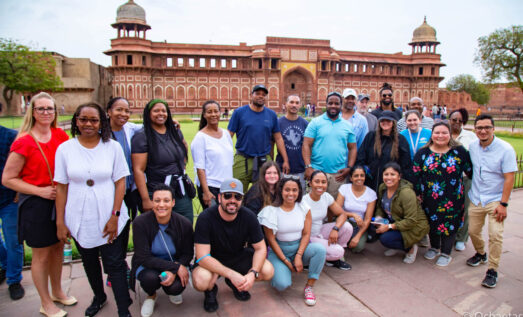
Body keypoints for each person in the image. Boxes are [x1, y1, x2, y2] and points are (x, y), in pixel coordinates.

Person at [55, 102, 132, 317]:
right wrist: (60, 221)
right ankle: (99, 296)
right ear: (76, 121)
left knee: (115, 263)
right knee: (89, 262)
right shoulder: (65, 149)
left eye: (94, 120)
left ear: (101, 122)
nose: (88, 124)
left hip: (110, 213)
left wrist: (115, 215)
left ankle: (123, 309)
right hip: (79, 216)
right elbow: (61, 188)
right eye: (83, 119)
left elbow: (120, 182)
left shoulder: (112, 147)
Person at [2, 92, 72, 317]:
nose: (45, 113)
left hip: (59, 200)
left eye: (49, 109)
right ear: (32, 111)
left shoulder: (60, 135)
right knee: (41, 254)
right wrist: (39, 191)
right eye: (40, 108)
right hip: (36, 203)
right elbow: (8, 179)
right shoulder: (24, 141)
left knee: (58, 248)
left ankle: (58, 291)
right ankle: (45, 302)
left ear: (55, 111)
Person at [192, 178, 274, 312]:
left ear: (242, 199)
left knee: (267, 270)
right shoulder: (205, 218)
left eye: (237, 197)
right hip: (212, 259)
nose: (232, 200)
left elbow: (260, 248)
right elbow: (202, 256)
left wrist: (252, 274)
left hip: (238, 256)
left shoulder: (249, 216)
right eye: (227, 195)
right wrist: (231, 274)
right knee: (201, 280)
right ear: (219, 197)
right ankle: (211, 289)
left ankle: (237, 284)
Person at [258, 176, 326, 306]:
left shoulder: (304, 207)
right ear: (280, 191)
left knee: (320, 250)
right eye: (287, 190)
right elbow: (271, 240)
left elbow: (306, 234)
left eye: (294, 190)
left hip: (299, 247)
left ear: (299, 192)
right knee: (282, 284)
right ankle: (279, 269)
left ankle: (309, 287)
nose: (291, 193)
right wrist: (286, 262)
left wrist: (299, 255)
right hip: (279, 251)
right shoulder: (270, 211)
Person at [466, 115, 517, 288]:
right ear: (475, 130)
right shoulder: (473, 147)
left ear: (493, 129)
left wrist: (504, 204)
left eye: (487, 127)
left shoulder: (505, 149)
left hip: (495, 199)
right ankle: (481, 254)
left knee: (495, 235)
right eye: (479, 128)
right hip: (476, 197)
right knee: (473, 231)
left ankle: (492, 270)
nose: (483, 131)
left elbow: (509, 178)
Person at [413, 122, 472, 266]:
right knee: (432, 221)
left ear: (450, 135)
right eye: (437, 133)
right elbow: (415, 174)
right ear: (432, 135)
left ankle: (446, 253)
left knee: (449, 223)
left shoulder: (459, 151)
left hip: (452, 198)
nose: (440, 136)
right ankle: (434, 247)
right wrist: (417, 192)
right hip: (429, 197)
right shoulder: (423, 153)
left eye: (444, 133)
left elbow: (470, 171)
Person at [131, 184, 194, 317]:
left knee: (176, 287)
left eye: (166, 200)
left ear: (173, 202)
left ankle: (172, 291)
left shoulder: (184, 224)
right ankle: (151, 295)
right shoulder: (140, 223)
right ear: (152, 202)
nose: (161, 205)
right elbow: (143, 257)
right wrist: (175, 268)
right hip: (149, 265)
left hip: (174, 262)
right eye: (157, 200)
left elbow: (188, 253)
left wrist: (174, 270)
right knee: (150, 279)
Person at [132, 99, 194, 223]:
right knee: (159, 231)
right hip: (156, 191)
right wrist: (145, 199)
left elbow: (183, 151)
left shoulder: (174, 132)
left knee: (185, 227)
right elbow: (138, 170)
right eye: (156, 111)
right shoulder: (142, 136)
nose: (161, 113)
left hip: (179, 190)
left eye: (163, 111)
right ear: (148, 113)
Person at [228, 85, 289, 190]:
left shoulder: (271, 115)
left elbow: (278, 138)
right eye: (257, 94)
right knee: (236, 192)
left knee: (264, 194)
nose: (261, 96)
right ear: (251, 95)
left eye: (264, 95)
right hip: (243, 159)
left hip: (264, 160)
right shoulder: (239, 113)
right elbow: (229, 136)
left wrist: (285, 160)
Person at [302, 92, 357, 198]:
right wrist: (308, 167)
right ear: (326, 104)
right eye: (330, 103)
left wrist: (349, 167)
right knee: (314, 205)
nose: (333, 106)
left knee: (333, 207)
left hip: (338, 174)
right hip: (317, 171)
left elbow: (353, 148)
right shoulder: (316, 122)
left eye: (336, 104)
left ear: (341, 105)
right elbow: (306, 145)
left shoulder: (347, 125)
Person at [373, 162, 429, 264]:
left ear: (399, 176)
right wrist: (378, 218)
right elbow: (380, 207)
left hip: (414, 225)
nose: (389, 178)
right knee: (373, 229)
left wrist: (389, 227)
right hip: (395, 219)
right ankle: (396, 244)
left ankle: (410, 248)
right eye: (386, 174)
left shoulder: (406, 193)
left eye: (393, 174)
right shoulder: (382, 187)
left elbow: (411, 220)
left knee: (385, 239)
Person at [302, 170, 352, 270]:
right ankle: (308, 258)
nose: (320, 185)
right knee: (338, 251)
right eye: (317, 181)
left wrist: (335, 229)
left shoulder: (326, 197)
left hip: (320, 231)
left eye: (323, 182)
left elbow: (342, 214)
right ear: (310, 183)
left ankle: (332, 260)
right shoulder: (304, 201)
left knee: (347, 227)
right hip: (308, 237)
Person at [191, 100, 233, 209]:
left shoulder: (226, 134)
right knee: (213, 222)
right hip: (211, 187)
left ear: (220, 113)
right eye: (209, 112)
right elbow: (200, 168)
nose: (213, 114)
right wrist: (206, 192)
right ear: (204, 115)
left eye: (216, 111)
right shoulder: (200, 138)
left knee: (226, 221)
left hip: (226, 187)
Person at [356, 110, 412, 192]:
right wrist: (364, 171)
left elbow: (405, 164)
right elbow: (361, 156)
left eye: (388, 121)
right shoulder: (371, 136)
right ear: (379, 122)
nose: (385, 123)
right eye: (383, 120)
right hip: (370, 181)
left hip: (391, 182)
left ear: (393, 123)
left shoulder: (401, 140)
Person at [107, 97, 142, 221]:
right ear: (109, 112)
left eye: (127, 111)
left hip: (128, 187)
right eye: (119, 110)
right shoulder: (100, 132)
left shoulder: (128, 128)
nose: (123, 114)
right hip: (109, 189)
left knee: (126, 222)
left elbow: (149, 126)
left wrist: (171, 122)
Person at [0, 125, 24, 300]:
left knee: (13, 240)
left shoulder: (11, 136)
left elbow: (23, 164)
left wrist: (18, 191)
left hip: (8, 197)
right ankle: (5, 266)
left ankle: (14, 280)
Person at [449, 108, 477, 251]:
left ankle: (462, 238)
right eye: (454, 120)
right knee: (449, 209)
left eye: (460, 121)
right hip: (447, 180)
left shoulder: (470, 137)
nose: (457, 123)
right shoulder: (443, 134)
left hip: (464, 178)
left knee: (466, 208)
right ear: (449, 120)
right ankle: (450, 235)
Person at [336, 165, 377, 253]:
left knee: (358, 248)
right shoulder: (344, 188)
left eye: (362, 175)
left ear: (365, 177)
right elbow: (337, 210)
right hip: (345, 220)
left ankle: (349, 240)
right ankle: (341, 244)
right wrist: (353, 215)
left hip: (359, 225)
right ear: (351, 178)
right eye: (356, 176)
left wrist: (358, 236)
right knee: (344, 226)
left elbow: (367, 219)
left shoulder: (371, 194)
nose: (359, 178)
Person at [275, 95, 308, 190]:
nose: (294, 105)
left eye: (297, 103)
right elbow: (272, 143)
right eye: (291, 102)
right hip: (283, 168)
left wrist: (308, 167)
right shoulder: (278, 123)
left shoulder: (305, 124)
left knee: (300, 198)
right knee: (281, 197)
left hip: (300, 168)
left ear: (300, 105)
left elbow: (309, 147)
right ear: (285, 104)